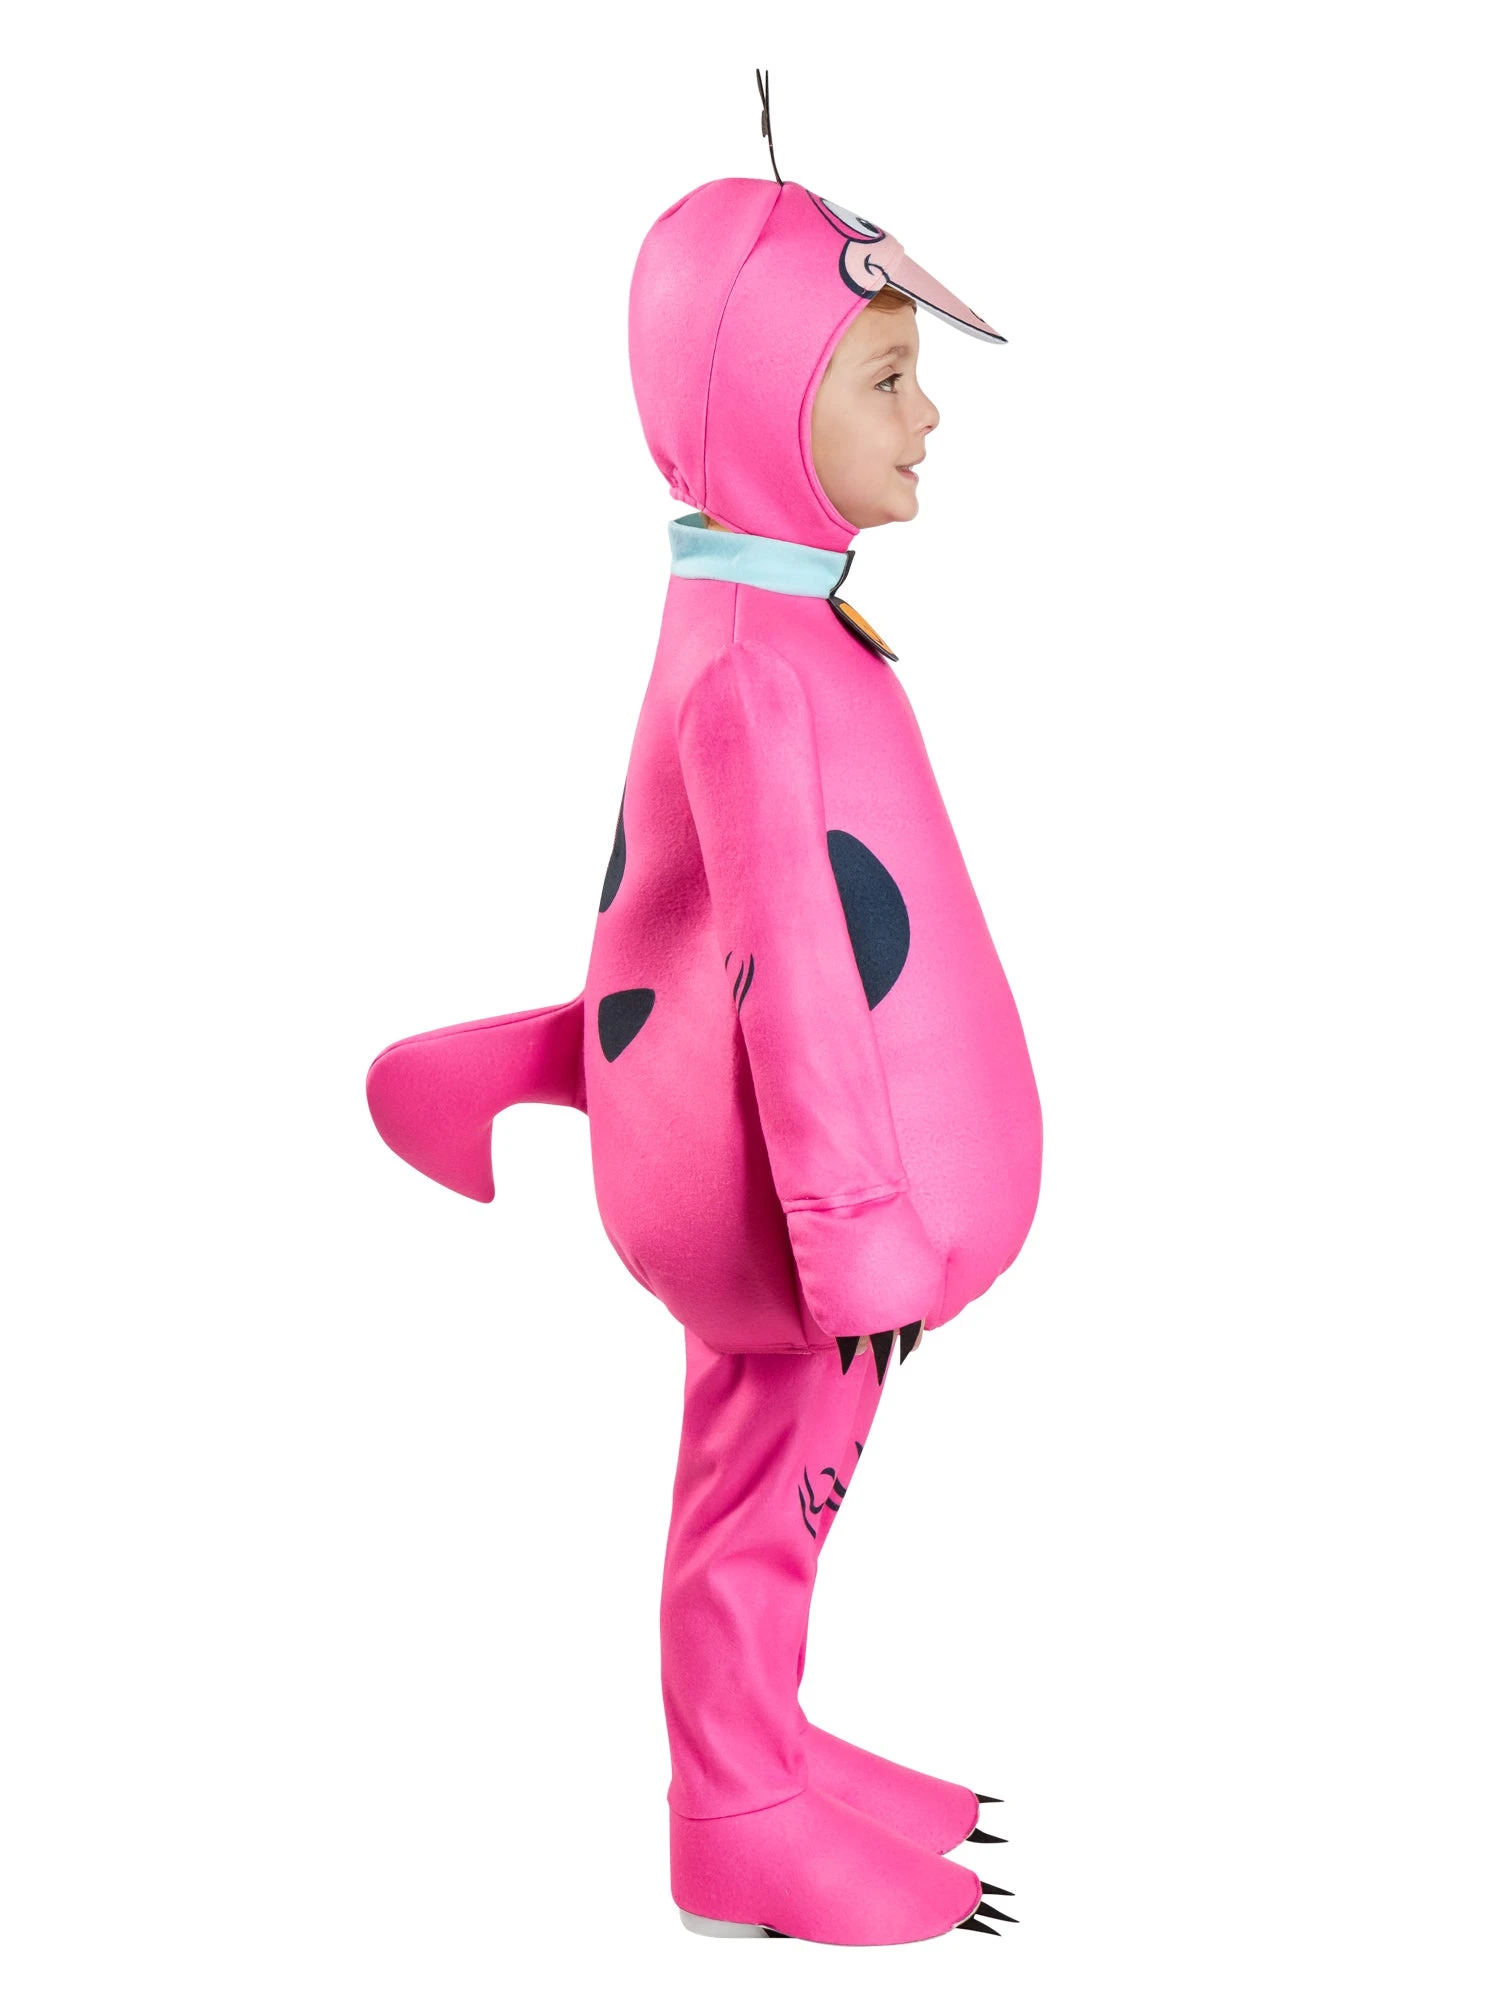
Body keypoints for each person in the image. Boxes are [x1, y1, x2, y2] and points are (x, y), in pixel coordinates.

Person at [366, 173, 1041, 1946]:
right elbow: (786, 963)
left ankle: (769, 1750)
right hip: (805, 1218)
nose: (929, 417)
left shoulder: (763, 626)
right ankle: (735, 1811)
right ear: (759, 402)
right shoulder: (755, 668)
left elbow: (669, 913)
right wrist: (857, 1225)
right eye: (884, 377)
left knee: (759, 1490)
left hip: (781, 1188)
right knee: (761, 1502)